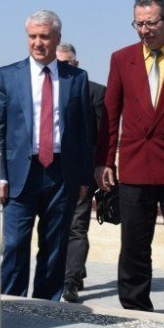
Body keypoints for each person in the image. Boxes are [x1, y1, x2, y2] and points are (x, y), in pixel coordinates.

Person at [95, 0, 164, 316]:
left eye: (151, 23)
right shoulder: (121, 58)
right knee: (134, 247)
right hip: (134, 169)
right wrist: (104, 160)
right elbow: (110, 114)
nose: (144, 30)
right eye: (138, 24)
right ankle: (134, 306)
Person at [0, 10, 95, 301]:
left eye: (44, 37)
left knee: (54, 247)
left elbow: (84, 132)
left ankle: (46, 308)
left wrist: (85, 177)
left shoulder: (76, 78)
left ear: (57, 39)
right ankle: (10, 306)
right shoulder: (7, 76)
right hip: (19, 175)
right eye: (32, 36)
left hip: (61, 175)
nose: (38, 43)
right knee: (14, 245)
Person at [55, 42, 106, 303]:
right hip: (50, 173)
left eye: (69, 63)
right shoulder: (46, 91)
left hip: (81, 173)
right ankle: (74, 269)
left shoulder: (95, 92)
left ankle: (70, 283)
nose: (64, 68)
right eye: (59, 63)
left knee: (76, 228)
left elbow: (99, 136)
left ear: (77, 63)